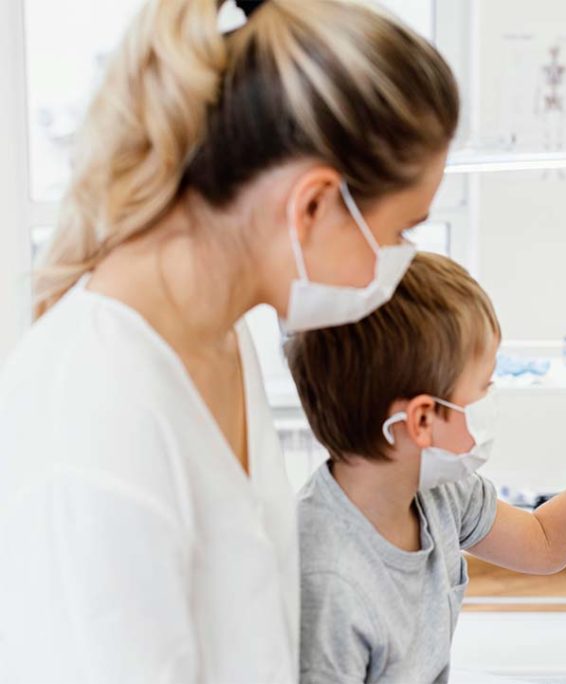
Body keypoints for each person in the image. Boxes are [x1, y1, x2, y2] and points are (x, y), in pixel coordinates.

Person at [0, 1, 459, 681]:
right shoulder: (99, 419)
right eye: (400, 232)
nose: (396, 263)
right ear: (312, 206)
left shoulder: (220, 339)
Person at [285, 252, 566, 683]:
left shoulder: (435, 492)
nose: (492, 399)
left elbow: (543, 542)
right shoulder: (326, 581)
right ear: (422, 420)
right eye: (484, 386)